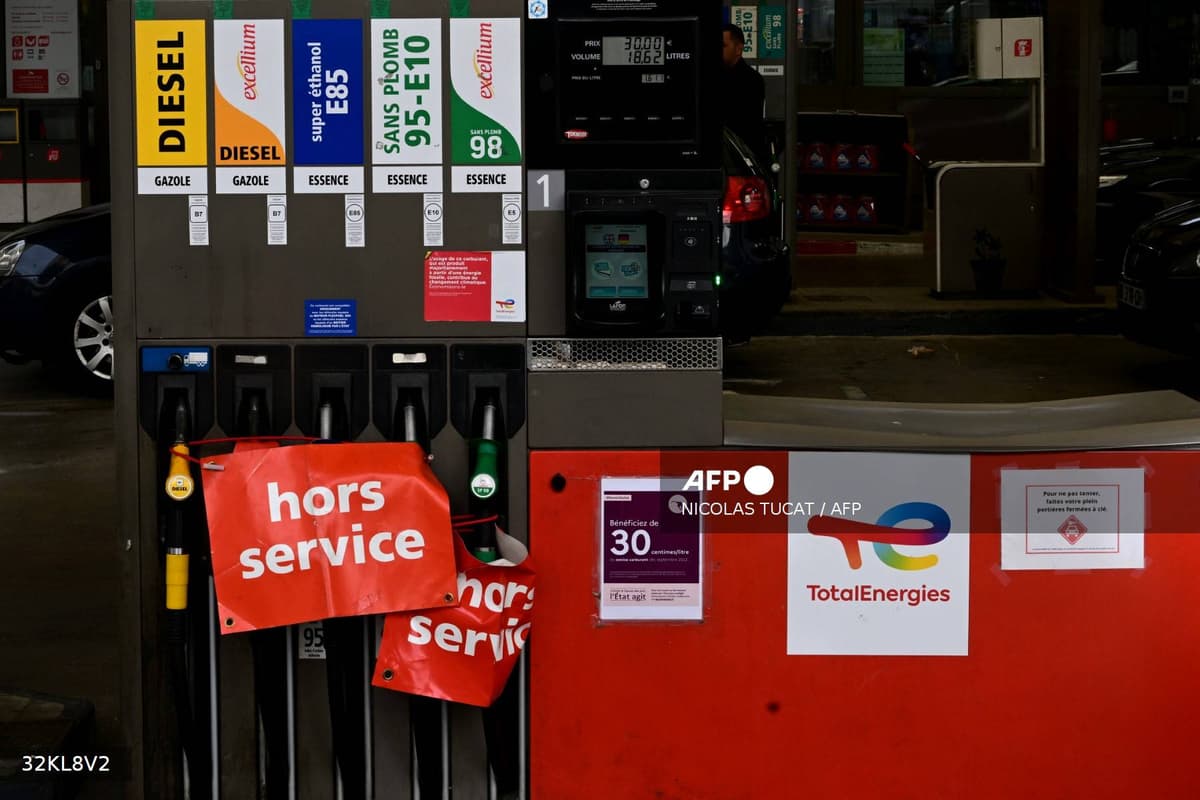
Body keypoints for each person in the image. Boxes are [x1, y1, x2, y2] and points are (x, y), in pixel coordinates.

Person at [719, 23, 767, 166]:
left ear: (738, 49)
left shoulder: (752, 80)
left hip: (741, 157)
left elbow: (741, 123)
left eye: (722, 45)